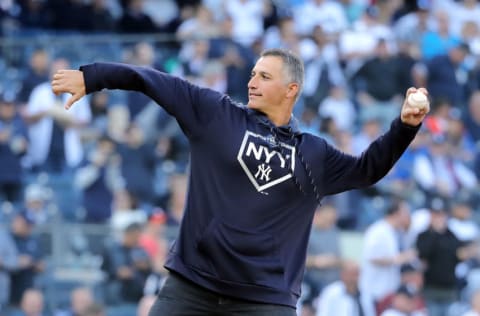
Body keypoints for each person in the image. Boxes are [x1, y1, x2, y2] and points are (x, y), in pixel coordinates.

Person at [51, 48, 429, 315]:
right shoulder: (216, 114)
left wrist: (405, 127)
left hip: (265, 299)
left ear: (291, 90)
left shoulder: (313, 153)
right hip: (191, 287)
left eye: (264, 76)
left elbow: (367, 169)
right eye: (252, 74)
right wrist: (93, 76)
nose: (252, 81)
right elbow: (151, 81)